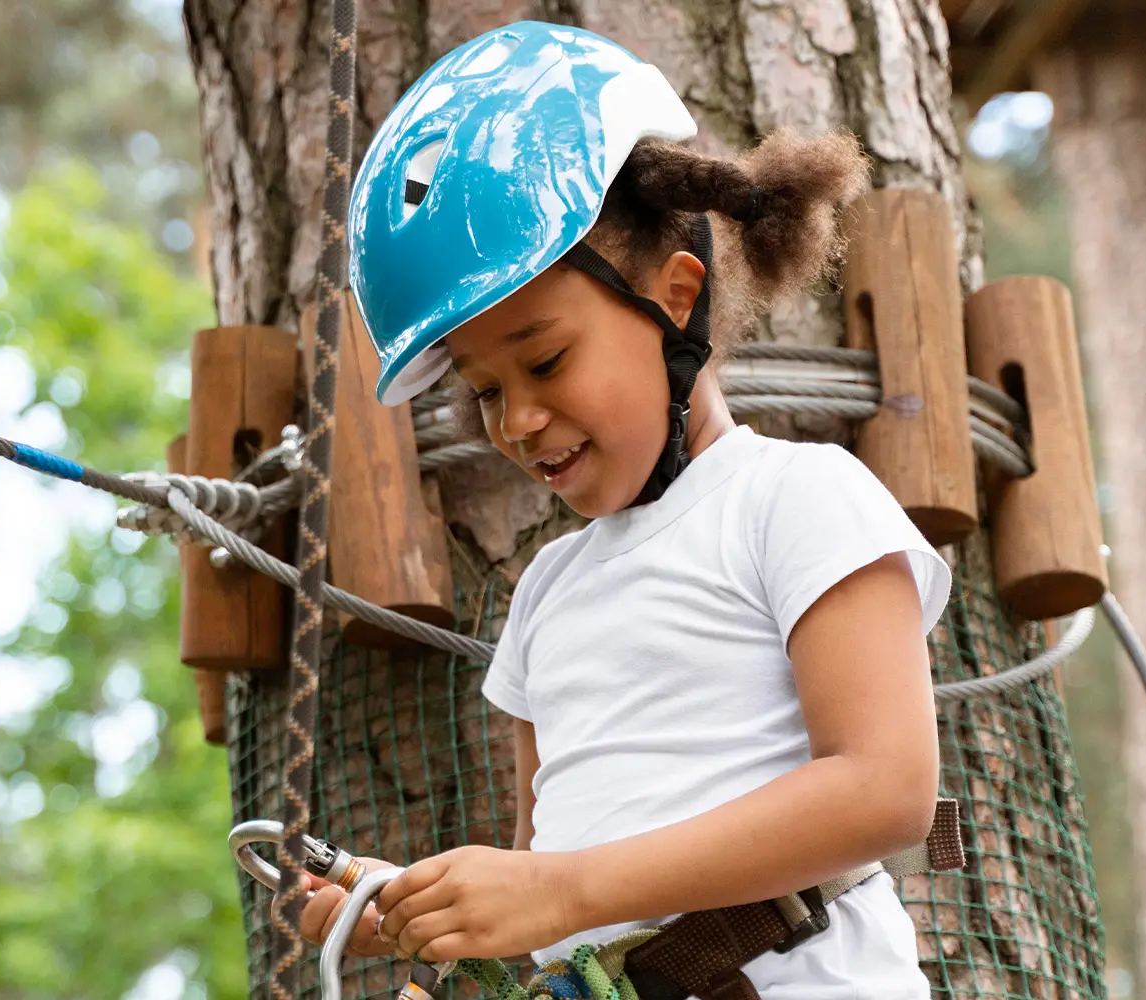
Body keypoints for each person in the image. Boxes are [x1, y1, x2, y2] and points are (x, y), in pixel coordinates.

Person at [293, 21, 953, 999]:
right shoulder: (546, 596)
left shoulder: (796, 497)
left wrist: (561, 892)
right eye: (483, 389)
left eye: (546, 359)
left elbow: (891, 789)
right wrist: (426, 911)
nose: (516, 418)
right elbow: (549, 895)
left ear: (676, 298)